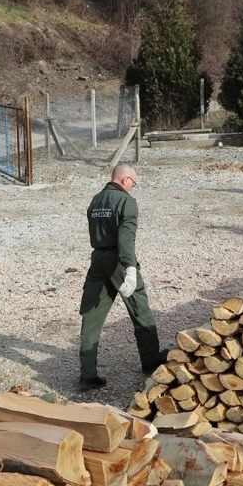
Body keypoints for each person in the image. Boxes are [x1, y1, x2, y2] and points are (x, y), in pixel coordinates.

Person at [79, 162, 165, 390]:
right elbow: (126, 239)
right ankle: (150, 361)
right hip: (119, 260)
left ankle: (87, 374)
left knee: (91, 316)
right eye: (133, 183)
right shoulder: (126, 202)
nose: (133, 187)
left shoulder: (96, 200)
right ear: (125, 180)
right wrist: (130, 268)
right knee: (141, 311)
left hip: (97, 260)